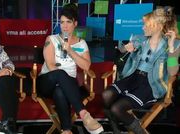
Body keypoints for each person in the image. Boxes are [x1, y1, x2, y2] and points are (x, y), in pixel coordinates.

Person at [102, 6, 180, 134]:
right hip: (133, 77)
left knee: (117, 108)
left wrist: (171, 48)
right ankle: (116, 130)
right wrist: (125, 48)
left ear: (158, 26)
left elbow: (172, 71)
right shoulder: (140, 39)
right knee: (106, 95)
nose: (143, 27)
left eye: (146, 25)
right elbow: (123, 49)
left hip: (151, 84)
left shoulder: (174, 44)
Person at [36, 3, 104, 134]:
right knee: (60, 74)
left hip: (68, 85)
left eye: (68, 22)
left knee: (60, 91)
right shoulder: (51, 39)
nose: (65, 26)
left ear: (75, 23)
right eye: (62, 22)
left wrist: (71, 51)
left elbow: (86, 66)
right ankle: (84, 113)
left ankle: (66, 130)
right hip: (47, 81)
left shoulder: (81, 43)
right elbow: (50, 65)